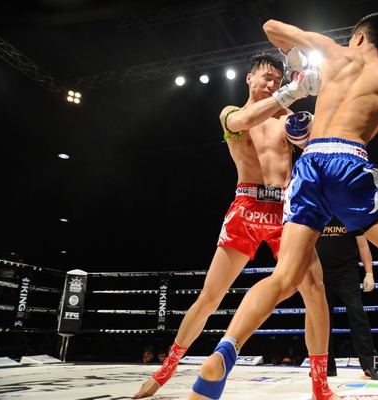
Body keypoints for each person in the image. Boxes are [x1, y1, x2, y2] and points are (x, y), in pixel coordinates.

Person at [190, 10, 378, 400]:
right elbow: (364, 128)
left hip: (309, 165)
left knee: (283, 277)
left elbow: (271, 28)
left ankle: (225, 350)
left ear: (358, 37)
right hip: (349, 158)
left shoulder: (332, 52)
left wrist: (295, 59)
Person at [133, 53, 325, 398]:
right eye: (266, 77)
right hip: (246, 206)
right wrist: (293, 91)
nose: (272, 84)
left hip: (286, 209)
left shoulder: (288, 118)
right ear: (249, 79)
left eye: (278, 80)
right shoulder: (231, 112)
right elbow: (242, 121)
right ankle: (165, 371)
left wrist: (307, 135)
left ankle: (320, 386)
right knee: (210, 297)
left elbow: (315, 154)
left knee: (315, 290)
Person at [315, 216, 378, 379]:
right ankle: (326, 366)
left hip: (346, 275)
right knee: (321, 320)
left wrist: (369, 273)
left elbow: (363, 245)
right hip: (320, 275)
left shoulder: (347, 214)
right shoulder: (316, 215)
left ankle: (371, 365)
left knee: (357, 313)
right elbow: (304, 245)